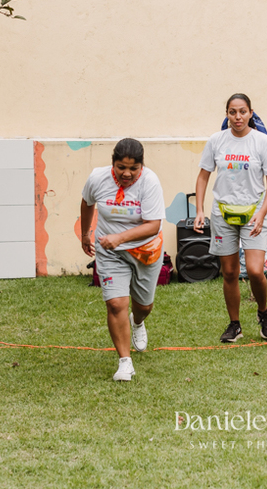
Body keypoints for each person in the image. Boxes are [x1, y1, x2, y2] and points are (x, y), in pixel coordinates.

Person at [194, 93, 267, 343]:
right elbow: (203, 176)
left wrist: (262, 213)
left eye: (242, 111)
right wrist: (200, 210)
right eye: (232, 112)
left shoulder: (262, 142)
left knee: (255, 270)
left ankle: (263, 313)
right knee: (230, 272)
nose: (237, 117)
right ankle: (235, 324)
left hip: (254, 213)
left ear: (251, 113)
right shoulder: (216, 141)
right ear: (227, 114)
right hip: (223, 213)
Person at [80, 138, 166, 382]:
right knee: (116, 304)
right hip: (110, 253)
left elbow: (153, 225)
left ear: (142, 165)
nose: (126, 173)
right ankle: (124, 362)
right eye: (121, 167)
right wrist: (87, 232)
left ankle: (137, 322)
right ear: (112, 163)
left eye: (133, 168)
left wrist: (119, 238)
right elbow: (87, 203)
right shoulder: (98, 178)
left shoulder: (150, 182)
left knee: (144, 306)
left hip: (145, 251)